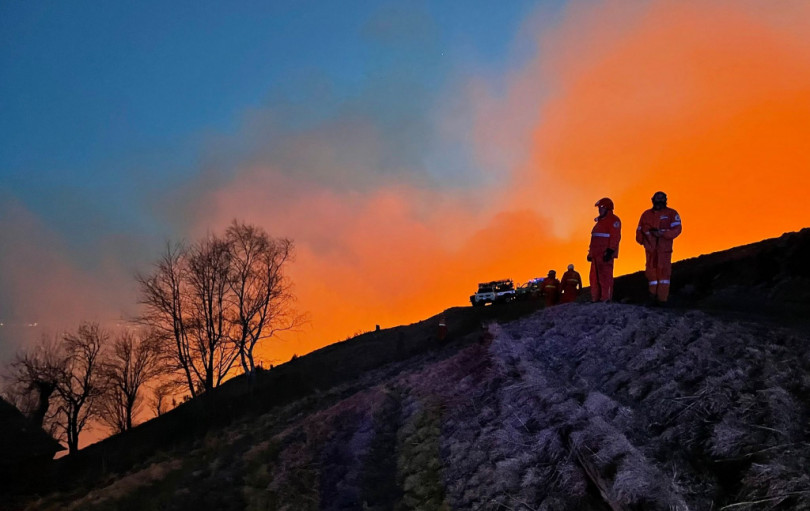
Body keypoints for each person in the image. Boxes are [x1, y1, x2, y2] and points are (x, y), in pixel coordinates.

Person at [636, 191, 682, 304]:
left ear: (665, 200)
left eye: (662, 199)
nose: (659, 201)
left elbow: (677, 229)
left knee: (664, 275)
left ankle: (662, 300)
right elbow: (639, 231)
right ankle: (652, 297)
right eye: (657, 199)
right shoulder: (646, 215)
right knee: (651, 274)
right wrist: (643, 241)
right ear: (653, 200)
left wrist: (662, 233)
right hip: (650, 250)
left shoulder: (671, 213)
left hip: (664, 250)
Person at [588, 197, 621, 302]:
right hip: (596, 255)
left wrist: (610, 251)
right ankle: (596, 299)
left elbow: (615, 237)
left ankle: (606, 298)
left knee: (605, 277)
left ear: (608, 208)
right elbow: (595, 239)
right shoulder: (600, 222)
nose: (599, 210)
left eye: (601, 207)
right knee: (594, 278)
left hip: (605, 254)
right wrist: (590, 253)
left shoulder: (613, 220)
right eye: (599, 208)